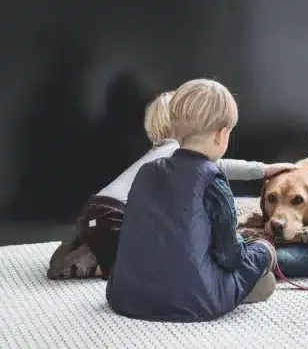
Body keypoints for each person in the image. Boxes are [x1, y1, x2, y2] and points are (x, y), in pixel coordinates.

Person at [47, 89, 294, 280]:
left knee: (113, 243)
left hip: (98, 210)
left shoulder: (160, 154)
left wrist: (262, 170)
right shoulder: (176, 154)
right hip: (115, 216)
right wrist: (262, 170)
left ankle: (85, 249)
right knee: (138, 265)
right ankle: (94, 263)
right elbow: (220, 166)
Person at [106, 79, 279, 322]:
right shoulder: (212, 180)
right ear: (222, 134)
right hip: (194, 299)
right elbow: (230, 257)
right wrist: (258, 248)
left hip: (127, 295)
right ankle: (253, 275)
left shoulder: (146, 171)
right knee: (261, 249)